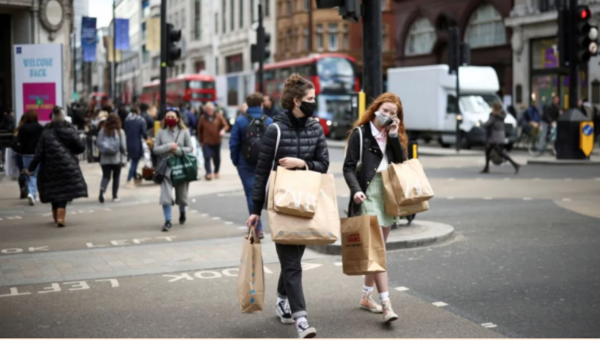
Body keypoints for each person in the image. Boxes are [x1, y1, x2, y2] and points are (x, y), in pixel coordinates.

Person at [247, 74, 329, 339]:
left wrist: (301, 163)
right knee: (292, 264)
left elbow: (324, 164)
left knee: (295, 259)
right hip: (282, 205)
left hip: (307, 202)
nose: (314, 103)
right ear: (296, 100)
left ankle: (282, 297)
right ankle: (301, 320)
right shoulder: (275, 130)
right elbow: (261, 173)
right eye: (310, 99)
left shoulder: (316, 128)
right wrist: (255, 212)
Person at [343, 92, 406, 324]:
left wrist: (393, 137)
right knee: (378, 252)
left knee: (377, 252)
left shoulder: (392, 135)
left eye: (393, 113)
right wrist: (356, 189)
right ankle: (387, 304)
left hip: (387, 194)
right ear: (376, 108)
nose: (388, 115)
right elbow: (348, 167)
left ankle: (366, 297)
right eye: (386, 110)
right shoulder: (360, 134)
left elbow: (401, 163)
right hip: (367, 194)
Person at [26, 106, 88, 227]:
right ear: (63, 118)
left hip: (48, 167)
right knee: (63, 191)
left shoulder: (45, 133)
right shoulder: (69, 131)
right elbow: (81, 147)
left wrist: (31, 168)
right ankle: (61, 216)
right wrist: (71, 150)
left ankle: (56, 214)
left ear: (52, 119)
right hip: (68, 165)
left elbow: (38, 153)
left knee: (54, 189)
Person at [230, 93, 273, 240]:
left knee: (251, 194)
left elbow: (234, 143)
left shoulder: (241, 121)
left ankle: (257, 228)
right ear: (261, 104)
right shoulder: (269, 121)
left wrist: (236, 161)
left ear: (247, 105)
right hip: (265, 163)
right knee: (267, 194)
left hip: (245, 163)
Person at [153, 108, 193, 232]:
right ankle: (168, 221)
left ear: (178, 118)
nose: (170, 119)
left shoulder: (184, 132)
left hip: (180, 165)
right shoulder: (160, 132)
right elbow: (155, 149)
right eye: (168, 117)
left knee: (181, 195)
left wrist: (178, 150)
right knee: (166, 195)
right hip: (165, 167)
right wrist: (168, 146)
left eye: (172, 117)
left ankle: (182, 212)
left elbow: (190, 148)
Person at [481, 102, 520, 174]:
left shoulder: (494, 116)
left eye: (492, 107)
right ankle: (486, 167)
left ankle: (515, 164)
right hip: (499, 136)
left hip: (495, 137)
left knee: (500, 152)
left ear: (495, 108)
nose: (491, 109)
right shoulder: (501, 116)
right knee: (488, 151)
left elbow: (488, 123)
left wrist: (481, 124)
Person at [97, 113, 127, 203]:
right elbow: (123, 146)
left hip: (105, 159)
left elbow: (98, 143)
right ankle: (115, 196)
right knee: (116, 177)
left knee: (106, 176)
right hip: (116, 159)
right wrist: (125, 154)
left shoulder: (102, 131)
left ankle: (102, 189)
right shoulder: (120, 131)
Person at [18, 110, 44, 205]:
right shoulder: (40, 127)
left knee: (28, 173)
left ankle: (31, 192)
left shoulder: (22, 128)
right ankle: (32, 193)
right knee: (34, 174)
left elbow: (19, 141)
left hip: (25, 154)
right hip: (36, 154)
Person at [197, 102, 228, 180]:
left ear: (214, 110)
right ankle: (208, 173)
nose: (210, 111)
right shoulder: (202, 118)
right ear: (206, 110)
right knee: (207, 157)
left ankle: (216, 171)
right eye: (208, 110)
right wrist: (200, 141)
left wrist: (223, 130)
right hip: (206, 141)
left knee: (217, 158)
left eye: (211, 109)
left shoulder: (218, 117)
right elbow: (199, 130)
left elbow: (226, 125)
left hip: (216, 140)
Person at [123, 107, 148, 188]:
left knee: (132, 161)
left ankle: (135, 178)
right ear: (138, 111)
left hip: (128, 144)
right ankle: (129, 179)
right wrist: (148, 140)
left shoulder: (126, 121)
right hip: (137, 144)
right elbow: (144, 133)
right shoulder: (140, 121)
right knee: (134, 162)